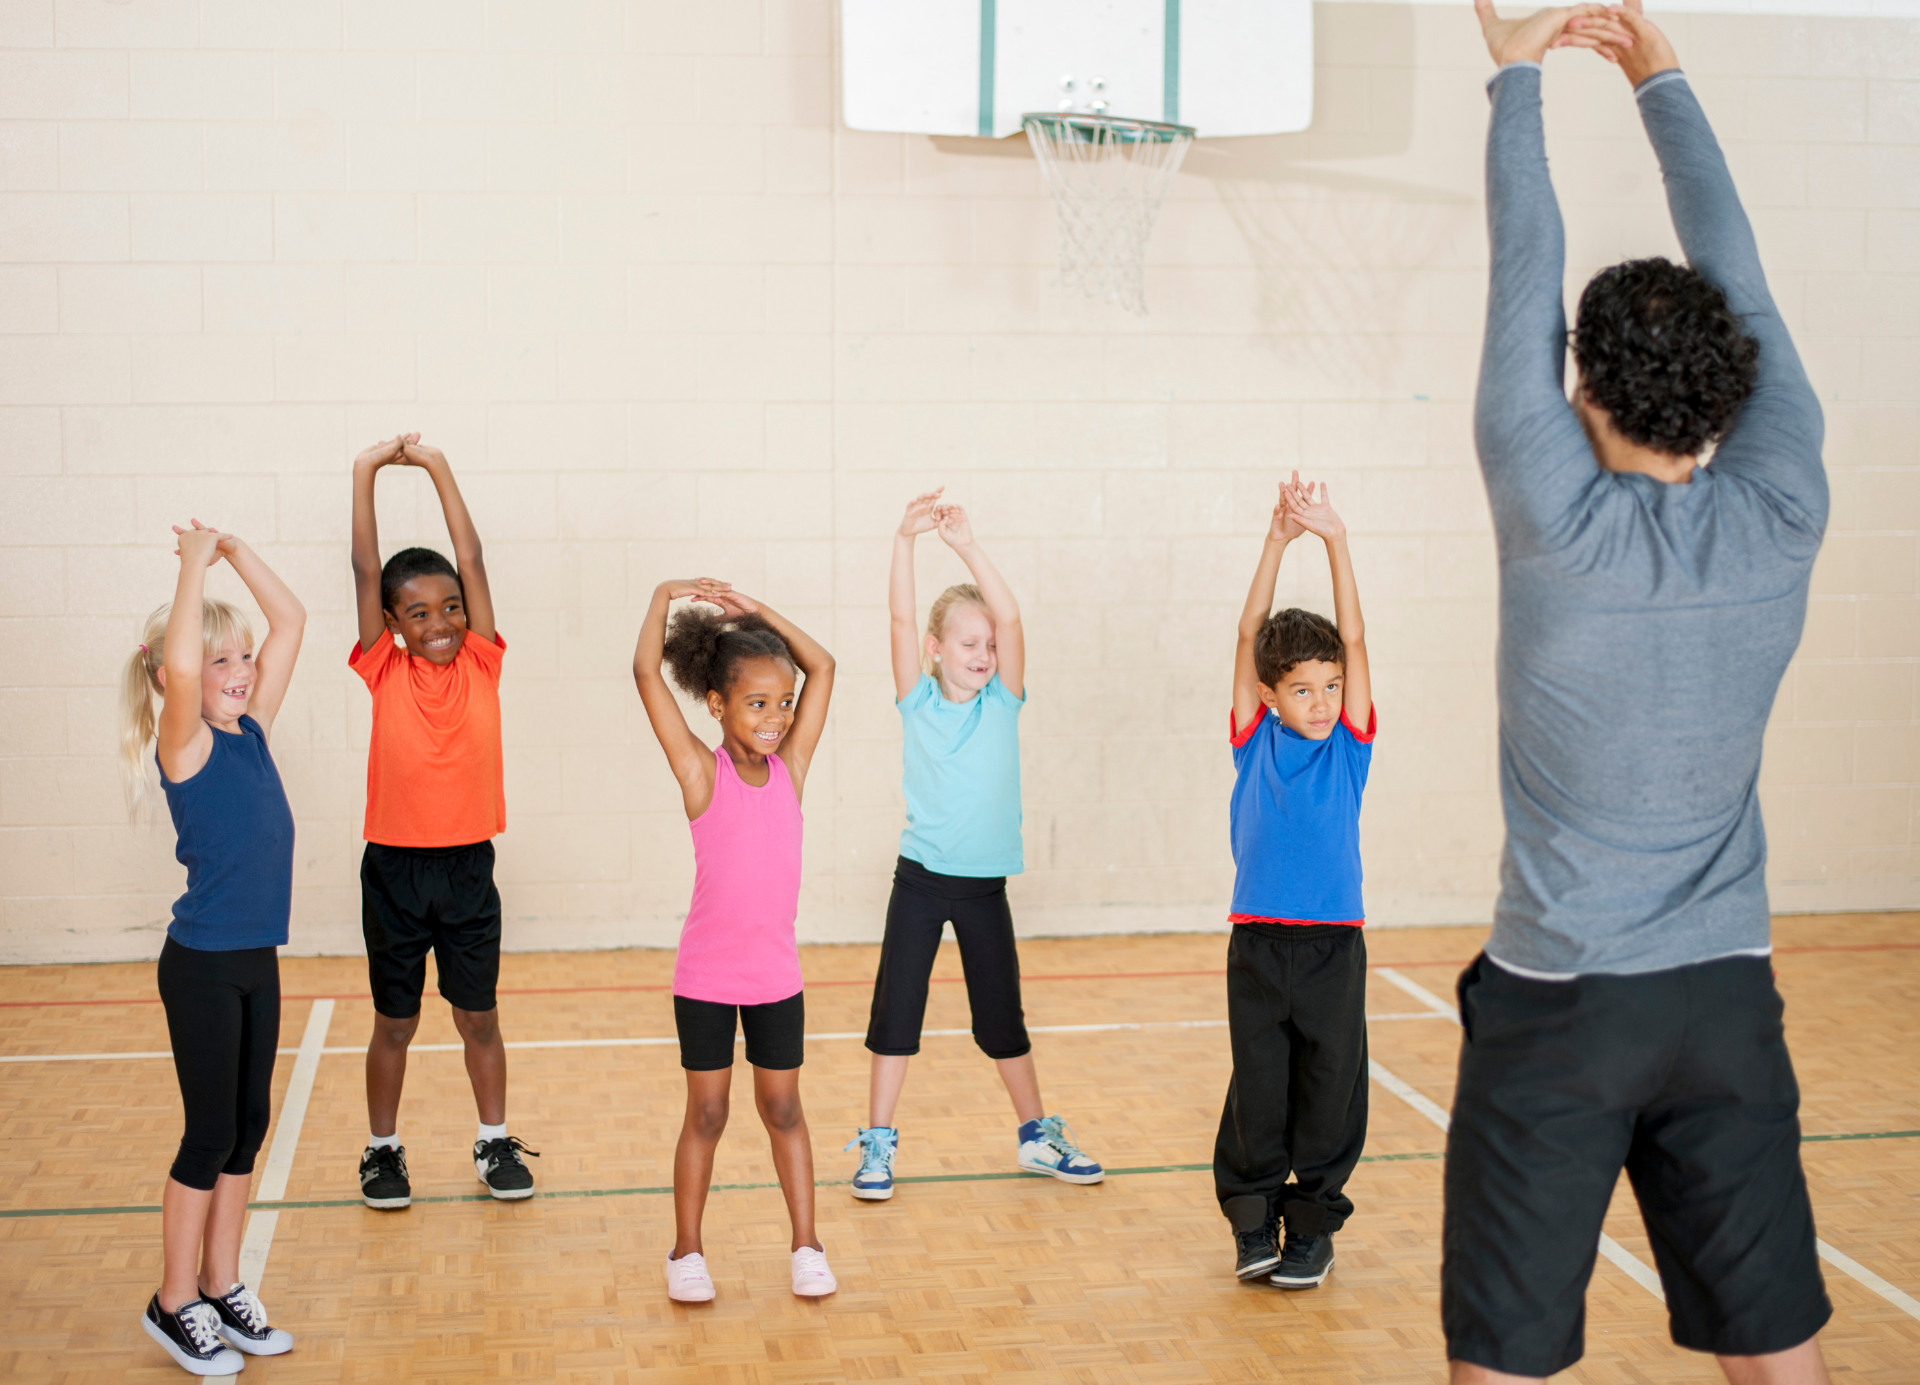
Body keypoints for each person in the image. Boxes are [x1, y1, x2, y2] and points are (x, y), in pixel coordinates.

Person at [1449, 4, 1834, 1381]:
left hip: (1562, 1006)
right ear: (1736, 384)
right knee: (1776, 1353)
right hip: (1727, 1000)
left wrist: (1516, 76)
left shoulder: (1552, 517)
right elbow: (1747, 279)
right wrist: (1660, 75)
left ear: (1584, 392)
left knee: (1505, 1359)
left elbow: (1524, 269)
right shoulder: (1785, 504)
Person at [843, 491, 1104, 1203]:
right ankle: (878, 1142)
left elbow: (1011, 618)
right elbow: (900, 617)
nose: (984, 654)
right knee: (897, 1013)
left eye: (988, 645)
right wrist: (905, 538)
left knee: (1002, 1019)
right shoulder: (917, 700)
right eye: (969, 644)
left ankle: (1036, 1136)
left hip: (985, 888)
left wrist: (965, 545)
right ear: (935, 650)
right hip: (921, 882)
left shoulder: (1004, 701)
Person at [121, 519, 306, 1375]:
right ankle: (173, 1300)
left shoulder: (252, 733)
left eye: (245, 658)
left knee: (246, 1128)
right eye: (218, 658)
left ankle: (222, 1282)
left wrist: (235, 552)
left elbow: (291, 620)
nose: (240, 670)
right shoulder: (185, 742)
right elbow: (187, 668)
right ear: (175, 678)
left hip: (256, 960)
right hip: (200, 965)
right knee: (208, 1134)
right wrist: (194, 566)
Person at [632, 577, 839, 1303]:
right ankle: (686, 1252)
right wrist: (663, 596)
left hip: (776, 977)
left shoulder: (792, 768)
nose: (777, 717)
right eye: (757, 703)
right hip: (708, 979)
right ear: (717, 705)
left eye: (784, 702)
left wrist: (756, 613)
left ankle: (807, 1245)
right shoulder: (701, 772)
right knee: (709, 1113)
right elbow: (645, 673)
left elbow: (825, 665)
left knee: (783, 1109)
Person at [349, 434, 534, 1209]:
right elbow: (365, 568)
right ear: (391, 621)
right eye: (419, 611)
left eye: (451, 606)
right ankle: (382, 1149)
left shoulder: (482, 660)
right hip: (394, 867)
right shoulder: (382, 665)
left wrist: (436, 466)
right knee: (395, 1021)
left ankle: (494, 1139)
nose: (441, 621)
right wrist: (366, 470)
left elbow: (474, 557)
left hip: (466, 867)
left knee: (478, 1016)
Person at [1216, 473, 1375, 1292]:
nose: (1321, 700)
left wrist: (1334, 539)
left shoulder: (1350, 745)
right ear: (1269, 695)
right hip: (1258, 943)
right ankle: (1254, 1221)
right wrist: (1277, 541)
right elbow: (1250, 631)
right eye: (1303, 689)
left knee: (1328, 1090)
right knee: (1259, 1089)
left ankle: (1311, 1228)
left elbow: (1355, 636)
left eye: (1331, 685)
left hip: (1331, 949)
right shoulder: (1255, 740)